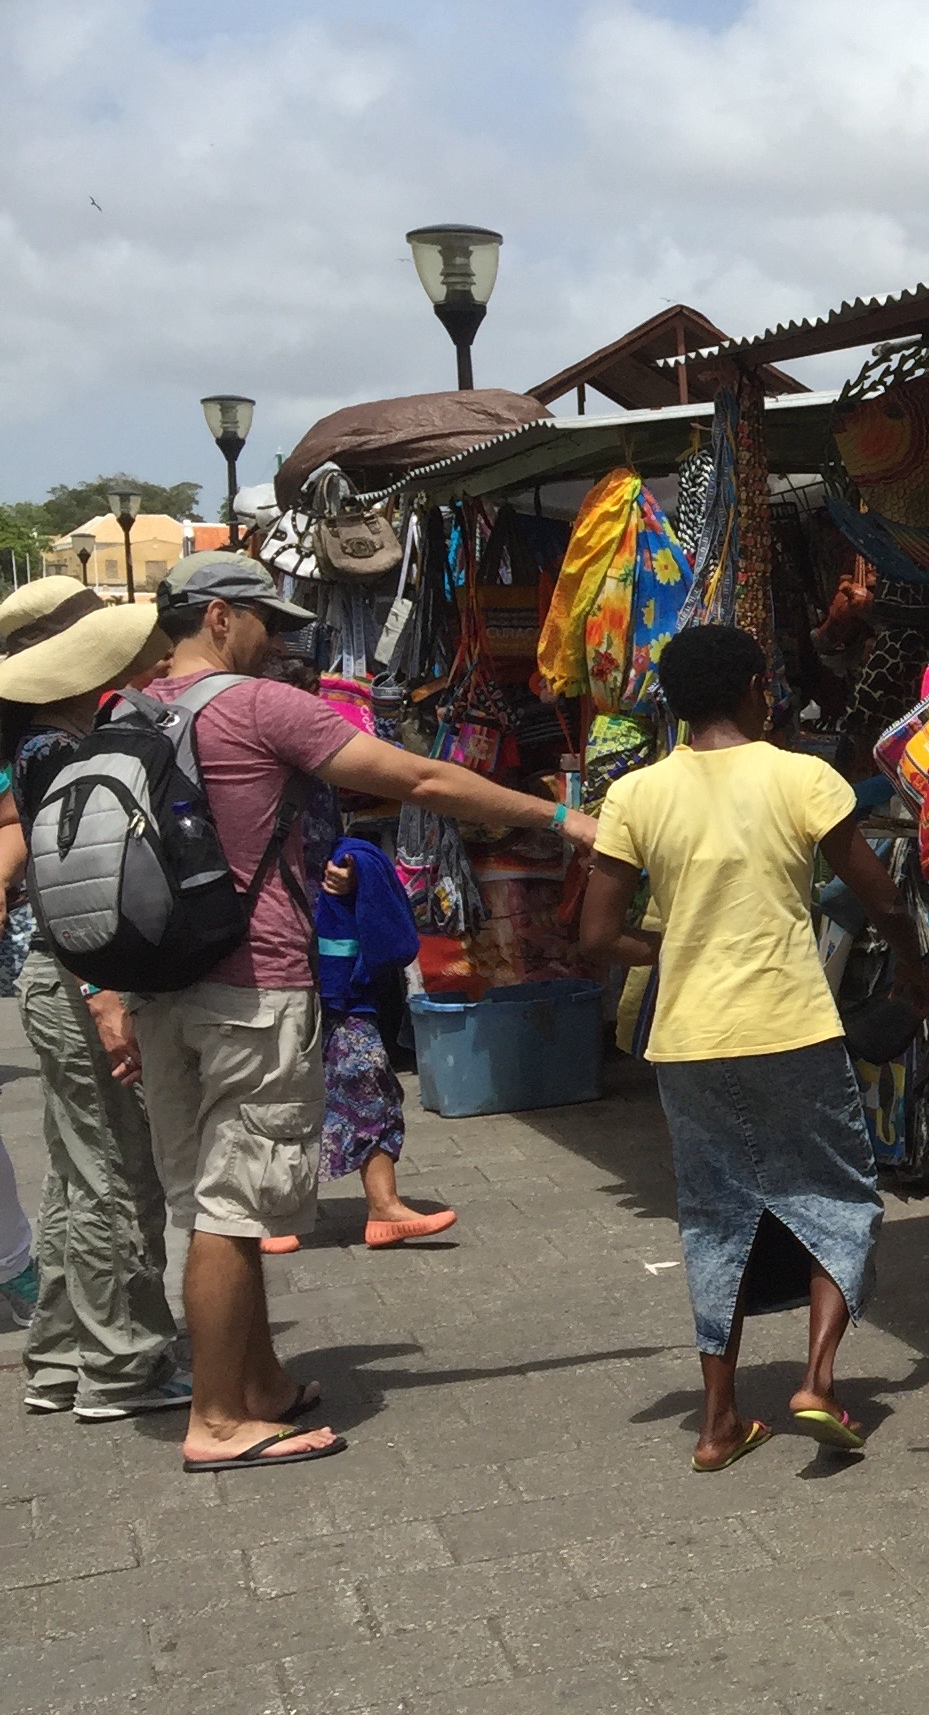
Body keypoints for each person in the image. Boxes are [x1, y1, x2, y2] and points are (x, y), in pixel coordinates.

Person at [103, 554, 595, 1473]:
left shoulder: (125, 711)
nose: (279, 638)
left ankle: (259, 1386)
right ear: (217, 617)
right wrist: (559, 817)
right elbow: (422, 780)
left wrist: (106, 994)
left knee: (214, 1200)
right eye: (265, 621)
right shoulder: (256, 706)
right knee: (231, 1203)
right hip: (252, 984)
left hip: (159, 985)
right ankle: (217, 1421)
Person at [578, 623, 929, 1473]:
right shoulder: (800, 775)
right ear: (752, 686)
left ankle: (717, 1423)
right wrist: (914, 976)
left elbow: (596, 935)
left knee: (714, 1215)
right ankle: (814, 1380)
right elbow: (882, 903)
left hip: (689, 1040)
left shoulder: (635, 795)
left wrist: (667, 947)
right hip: (790, 1025)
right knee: (836, 1198)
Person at [0, 579, 152, 1404]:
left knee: (75, 1168)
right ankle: (121, 1360)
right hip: (76, 974)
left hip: (56, 975)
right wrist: (104, 989)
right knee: (115, 1175)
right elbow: (75, 889)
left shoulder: (39, 745)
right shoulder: (59, 751)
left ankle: (60, 1356)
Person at [252, 652, 449, 1254]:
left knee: (365, 1070)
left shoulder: (321, 768)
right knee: (270, 1082)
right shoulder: (237, 769)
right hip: (261, 954)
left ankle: (384, 1206)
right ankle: (272, 1214)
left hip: (330, 952)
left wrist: (353, 869)